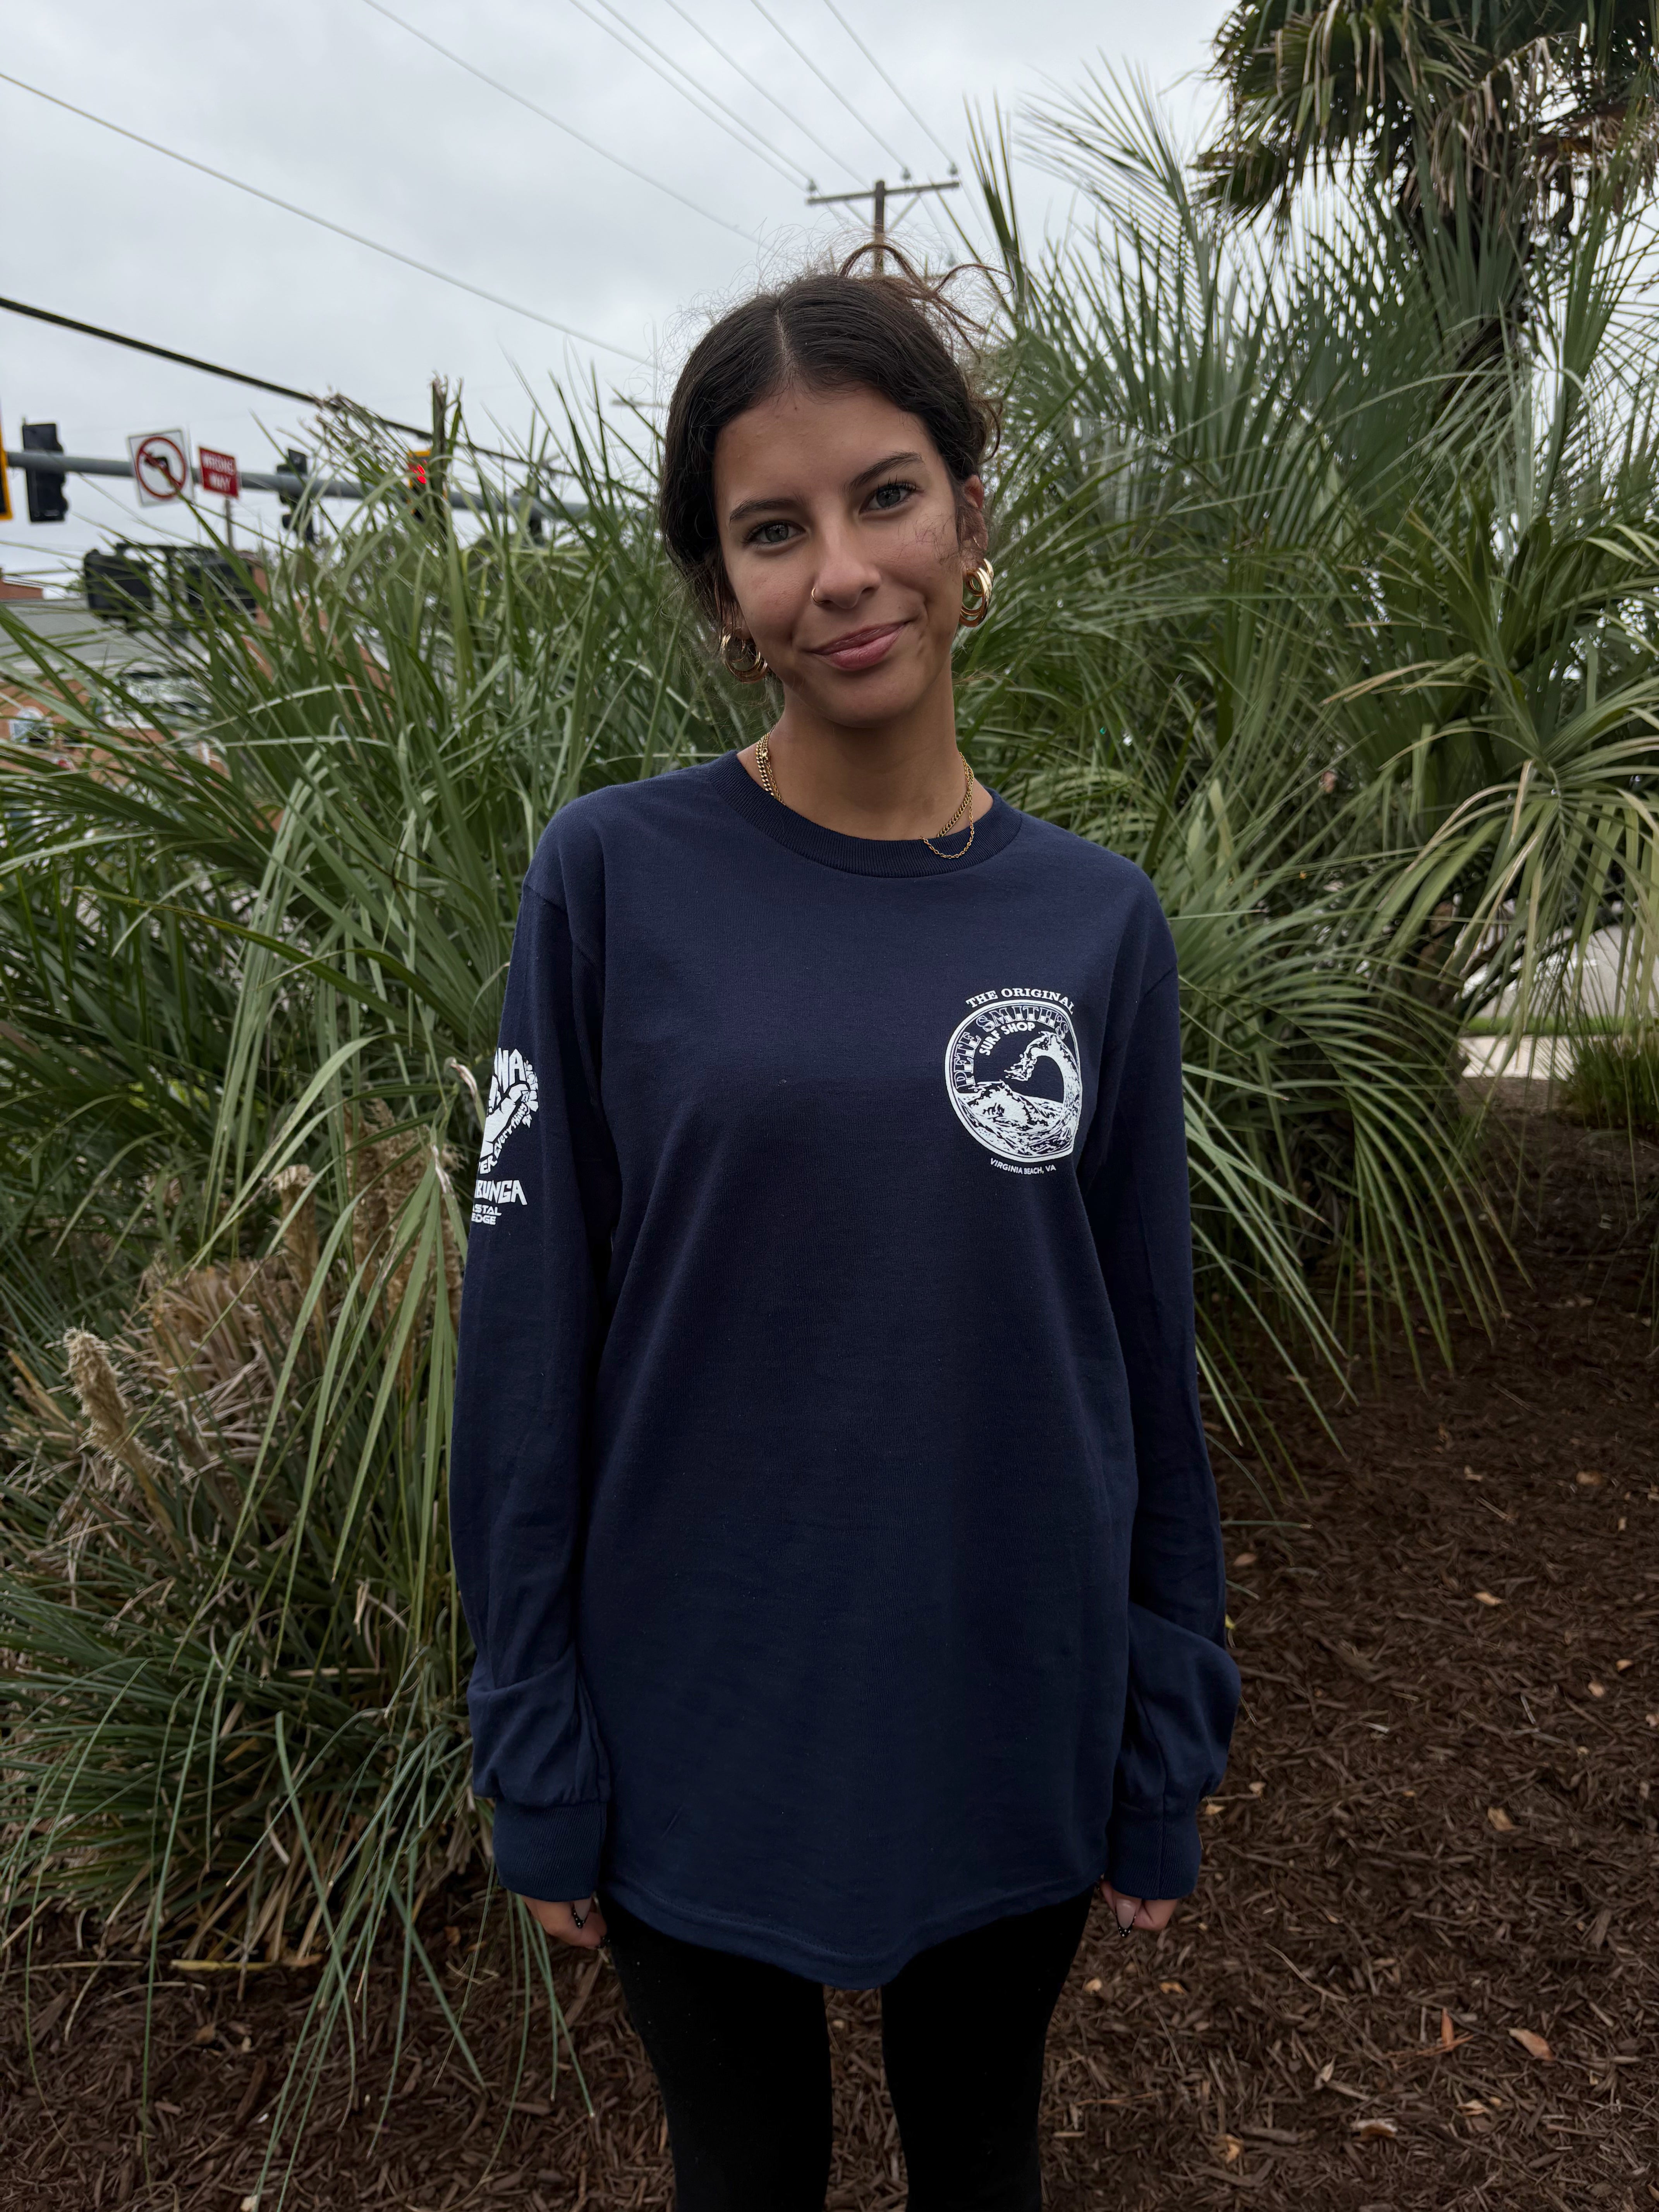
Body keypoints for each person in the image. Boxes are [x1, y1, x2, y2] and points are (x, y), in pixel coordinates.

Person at [448, 254, 1240, 2212]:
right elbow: (527, 1345)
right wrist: (535, 1736)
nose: (844, 571)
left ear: (970, 514)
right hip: (696, 1701)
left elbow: (1142, 1354)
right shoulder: (611, 880)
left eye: (886, 495)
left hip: (1008, 1685)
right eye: (772, 530)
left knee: (984, 2153)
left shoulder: (1097, 926)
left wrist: (1163, 1727)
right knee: (745, 2176)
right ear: (724, 596)